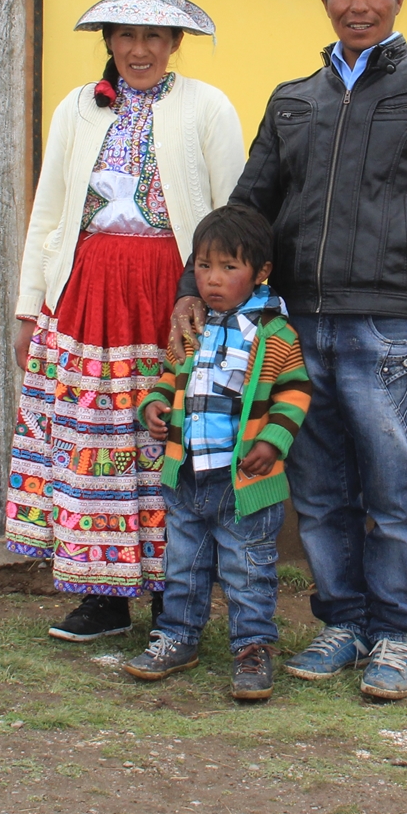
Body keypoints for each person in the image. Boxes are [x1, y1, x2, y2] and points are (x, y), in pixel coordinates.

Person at [169, 0, 407, 700]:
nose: (359, 4)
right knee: (316, 492)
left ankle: (398, 636)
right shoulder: (294, 102)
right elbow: (247, 209)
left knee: (394, 490)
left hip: (387, 326)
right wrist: (190, 285)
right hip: (295, 329)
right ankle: (343, 624)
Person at [5, 0, 246, 642]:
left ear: (174, 42)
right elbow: (50, 214)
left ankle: (176, 601)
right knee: (96, 439)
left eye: (154, 36)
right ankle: (102, 596)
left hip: (173, 296)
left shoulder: (207, 108)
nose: (140, 49)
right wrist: (30, 308)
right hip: (88, 296)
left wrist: (227, 302)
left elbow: (234, 212)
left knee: (169, 438)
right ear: (109, 40)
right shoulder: (78, 109)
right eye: (126, 35)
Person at [124, 205, 311, 701]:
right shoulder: (195, 325)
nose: (212, 279)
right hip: (187, 476)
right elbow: (171, 374)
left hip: (242, 481)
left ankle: (252, 649)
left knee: (247, 569)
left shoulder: (273, 333)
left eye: (229, 267)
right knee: (183, 565)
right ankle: (177, 637)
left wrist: (272, 442)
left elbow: (295, 393)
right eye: (204, 266)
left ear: (261, 272)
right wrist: (155, 404)